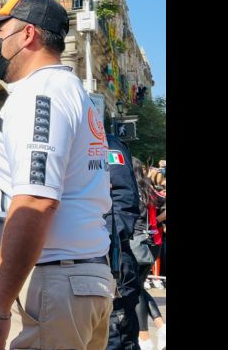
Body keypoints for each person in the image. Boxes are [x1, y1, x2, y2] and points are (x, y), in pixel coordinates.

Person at [0, 0, 115, 350]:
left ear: (28, 35)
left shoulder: (40, 95)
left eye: (0, 33)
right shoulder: (66, 90)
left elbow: (36, 201)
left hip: (54, 281)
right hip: (73, 279)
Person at [104, 134, 141, 350]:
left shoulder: (106, 144)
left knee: (115, 337)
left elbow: (123, 200)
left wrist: (103, 241)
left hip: (110, 258)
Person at [132, 159, 166, 350]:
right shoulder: (149, 189)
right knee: (139, 288)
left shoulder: (131, 190)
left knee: (136, 289)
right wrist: (157, 223)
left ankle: (144, 338)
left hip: (138, 244)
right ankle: (160, 328)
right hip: (153, 243)